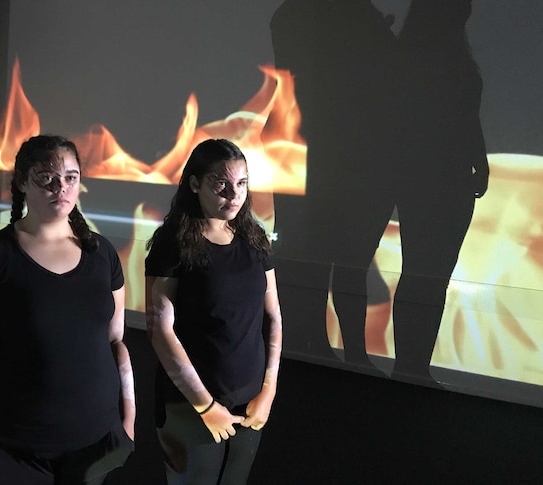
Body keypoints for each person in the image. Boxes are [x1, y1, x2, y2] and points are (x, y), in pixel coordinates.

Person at [0, 135, 135, 484]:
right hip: (13, 447)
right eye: (46, 177)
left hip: (94, 443)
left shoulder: (102, 254)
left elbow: (115, 342)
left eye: (70, 177)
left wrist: (127, 424)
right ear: (22, 181)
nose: (60, 187)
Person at [269, 0, 400, 368]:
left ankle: (318, 347)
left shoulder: (296, 16)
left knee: (320, 258)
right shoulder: (328, 18)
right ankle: (325, 349)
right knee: (331, 259)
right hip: (336, 155)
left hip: (318, 152)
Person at [145, 139, 282, 484]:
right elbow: (161, 329)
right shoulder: (172, 245)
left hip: (250, 403)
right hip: (189, 406)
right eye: (221, 184)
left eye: (241, 184)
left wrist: (268, 390)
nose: (233, 195)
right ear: (195, 183)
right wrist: (205, 406)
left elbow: (273, 316)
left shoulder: (253, 240)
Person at [391, 0, 489, 381]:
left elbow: (467, 117)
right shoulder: (436, 56)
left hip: (447, 177)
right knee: (424, 273)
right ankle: (411, 366)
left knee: (428, 274)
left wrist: (478, 161)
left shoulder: (433, 52)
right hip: (433, 176)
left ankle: (413, 365)